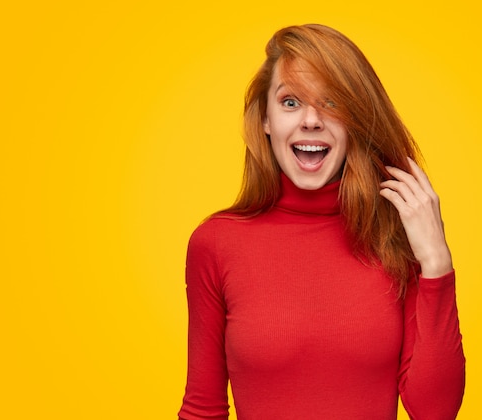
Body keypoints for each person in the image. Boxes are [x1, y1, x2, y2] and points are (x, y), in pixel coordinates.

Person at [178, 24, 465, 420]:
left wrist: (436, 263)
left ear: (355, 120)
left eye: (331, 102)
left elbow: (435, 412)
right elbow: (203, 408)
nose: (311, 120)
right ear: (265, 119)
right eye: (291, 102)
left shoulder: (395, 237)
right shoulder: (216, 244)